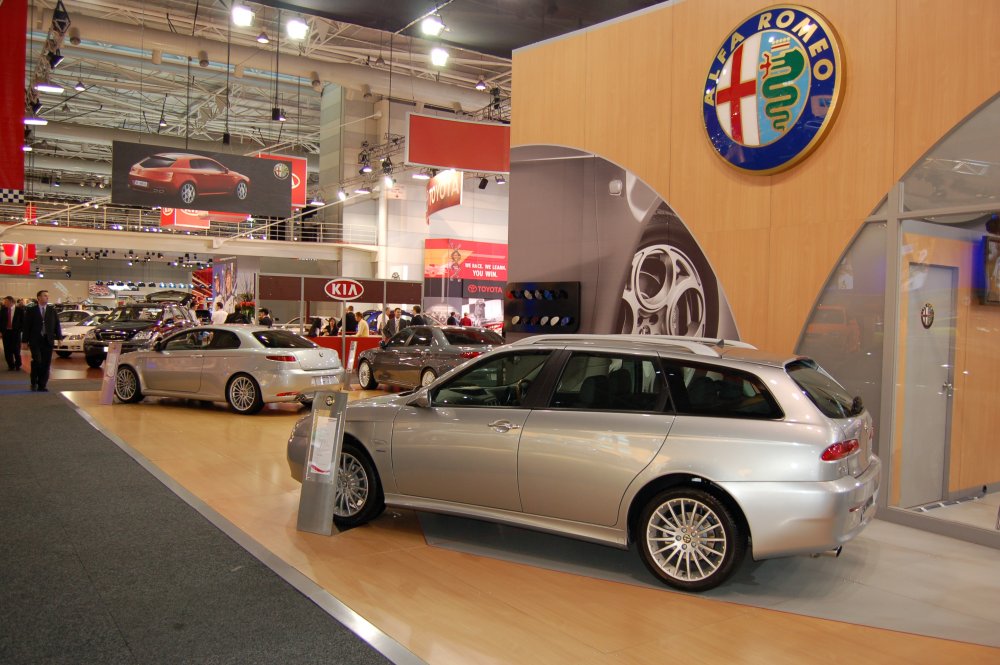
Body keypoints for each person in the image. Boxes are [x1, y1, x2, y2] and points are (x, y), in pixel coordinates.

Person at [22, 289, 62, 392]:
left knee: (46, 363)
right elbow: (27, 326)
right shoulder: (31, 310)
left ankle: (42, 385)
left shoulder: (52, 310)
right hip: (35, 340)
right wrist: (24, 341)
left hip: (47, 340)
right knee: (37, 361)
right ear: (38, 297)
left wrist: (59, 337)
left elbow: (57, 324)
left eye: (47, 296)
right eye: (44, 295)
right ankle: (34, 380)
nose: (47, 297)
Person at [1, 296, 24, 371]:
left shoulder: (19, 310)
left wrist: (19, 329)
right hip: (6, 332)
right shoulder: (3, 310)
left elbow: (23, 322)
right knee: (7, 350)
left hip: (15, 333)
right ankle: (11, 365)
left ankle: (18, 364)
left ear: (11, 302)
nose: (4, 303)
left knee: (16, 349)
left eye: (6, 302)